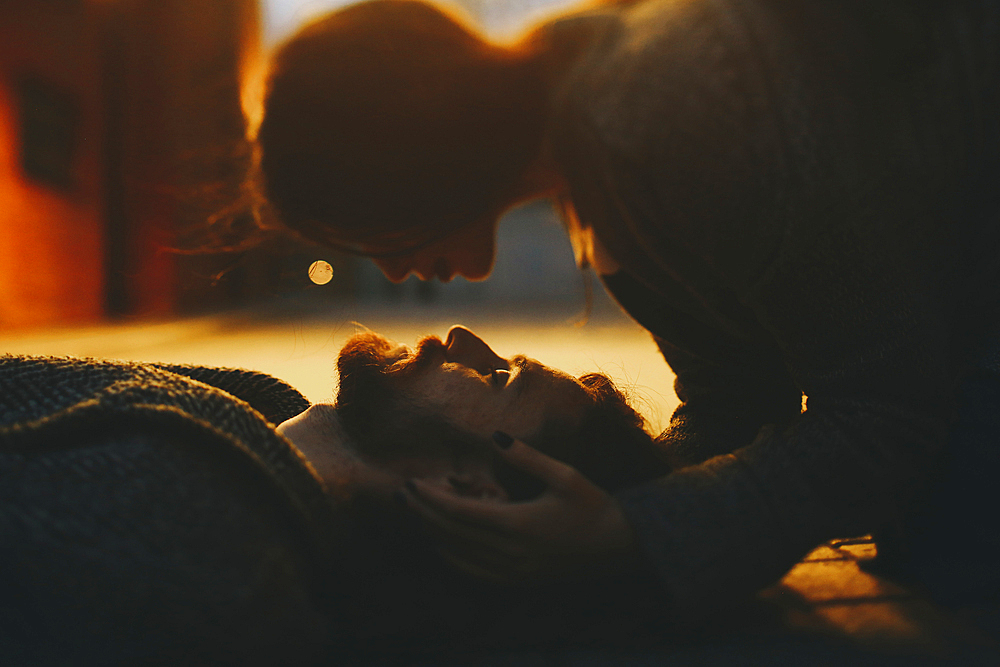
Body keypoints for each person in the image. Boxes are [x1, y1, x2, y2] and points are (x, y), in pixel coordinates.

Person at [251, 0, 1000, 618]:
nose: (388, 267)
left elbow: (889, 404)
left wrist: (634, 531)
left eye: (366, 228)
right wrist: (593, 506)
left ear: (401, 162)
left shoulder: (664, 111)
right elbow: (734, 391)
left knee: (951, 552)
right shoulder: (589, 157)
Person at [0, 326, 669, 663]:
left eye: (498, 377)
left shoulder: (197, 556)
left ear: (469, 487)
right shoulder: (261, 405)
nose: (458, 337)